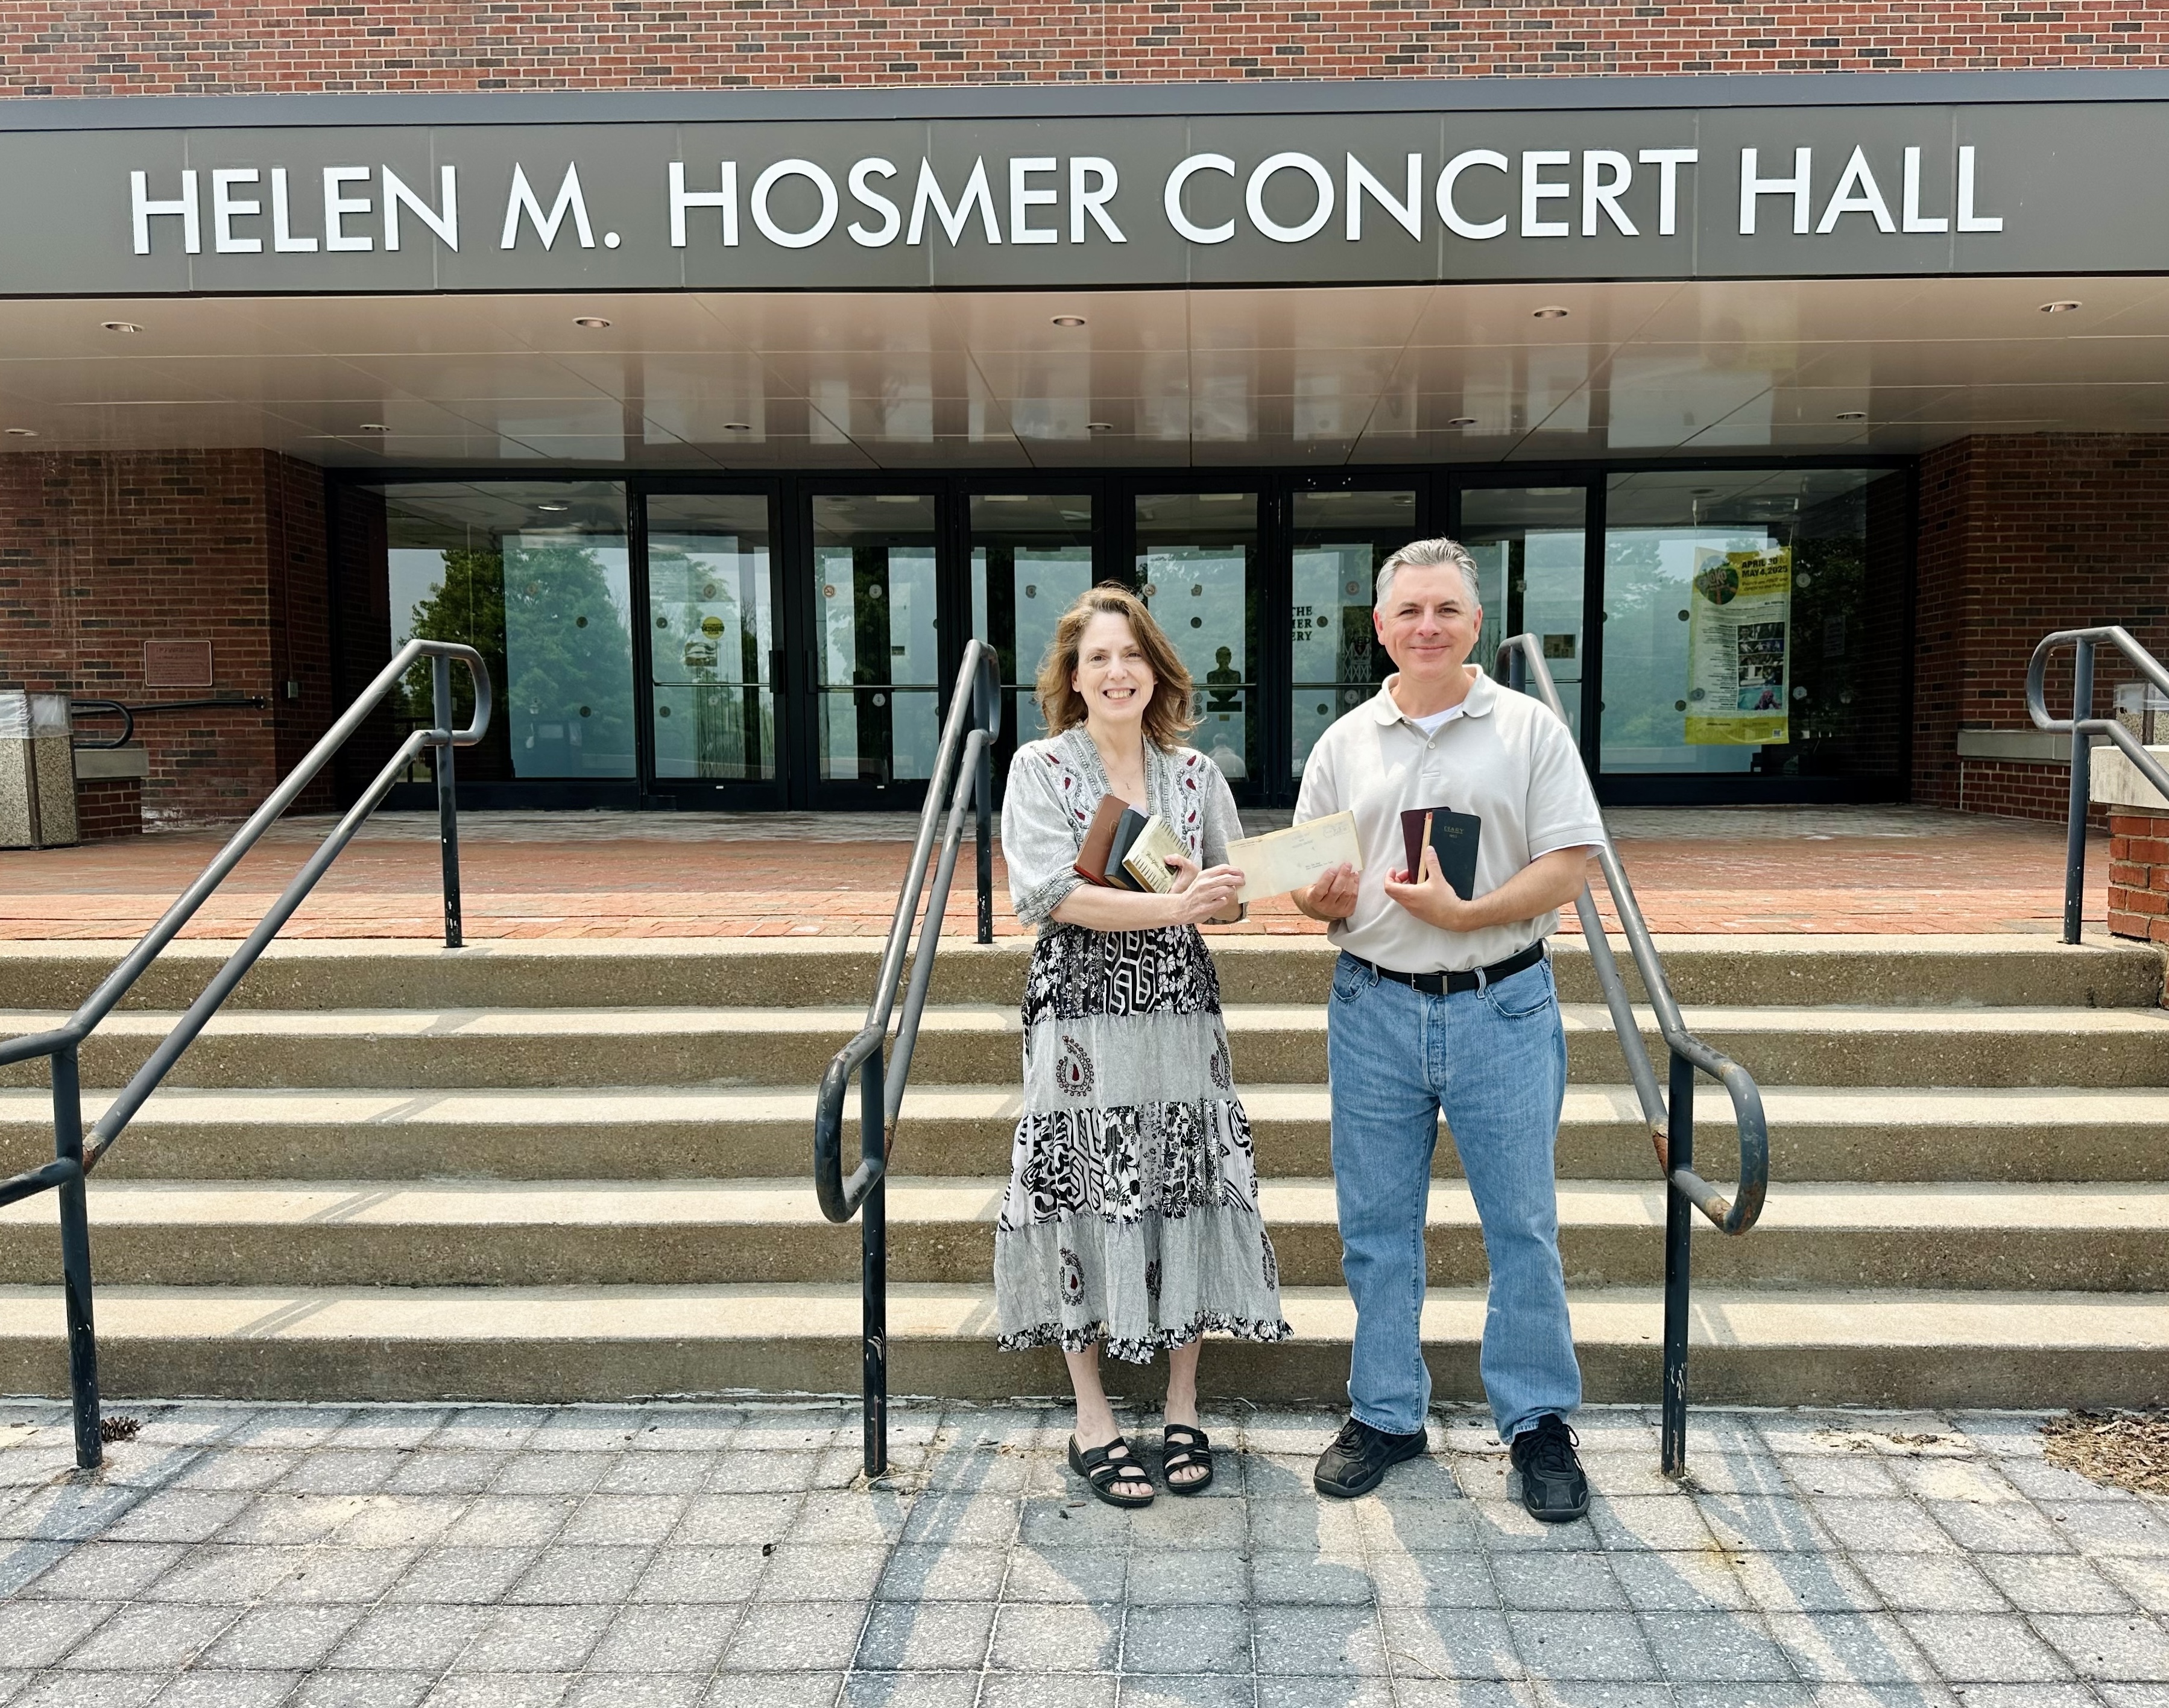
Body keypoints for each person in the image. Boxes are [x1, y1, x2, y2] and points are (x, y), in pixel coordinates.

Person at [1291, 537, 1607, 1520]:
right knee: (1375, 1227)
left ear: (1475, 622)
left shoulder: (1527, 729)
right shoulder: (1344, 742)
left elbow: (1570, 865)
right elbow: (1304, 885)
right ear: (1379, 627)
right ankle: (1385, 1410)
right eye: (1408, 610)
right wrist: (1316, 895)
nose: (1425, 626)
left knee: (1522, 1225)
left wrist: (1468, 915)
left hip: (1499, 1003)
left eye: (1444, 609)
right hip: (1372, 1005)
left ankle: (1537, 1420)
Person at [996, 582, 1290, 1508]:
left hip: (1176, 1007)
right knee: (1079, 1184)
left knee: (1185, 1180)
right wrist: (1173, 904)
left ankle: (1181, 1403)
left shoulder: (1195, 774)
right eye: (1098, 657)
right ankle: (1091, 1417)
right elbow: (1049, 895)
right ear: (1073, 677)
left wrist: (1220, 891)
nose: (1116, 671)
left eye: (1131, 655)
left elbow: (1230, 898)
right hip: (1080, 1011)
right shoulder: (1040, 768)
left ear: (1156, 670)